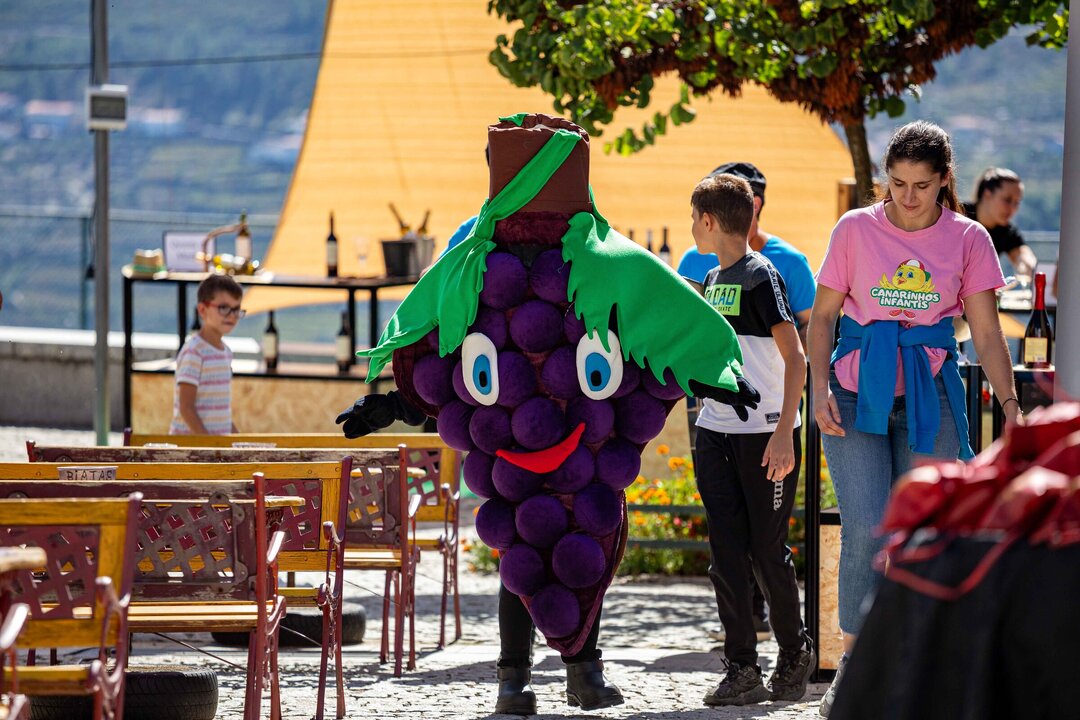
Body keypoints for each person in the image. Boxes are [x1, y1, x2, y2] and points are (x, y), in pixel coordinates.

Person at [808, 121, 1021, 717]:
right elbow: (822, 318)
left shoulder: (969, 238)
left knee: (923, 533)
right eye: (897, 184)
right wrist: (818, 388)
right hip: (854, 392)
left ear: (944, 180)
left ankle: (912, 668)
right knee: (867, 528)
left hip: (931, 395)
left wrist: (1010, 406)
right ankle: (854, 675)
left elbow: (986, 334)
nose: (907, 197)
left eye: (921, 186)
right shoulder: (854, 229)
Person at [691, 173, 815, 707]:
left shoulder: (761, 276)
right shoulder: (711, 277)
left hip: (765, 435)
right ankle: (741, 667)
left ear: (709, 221)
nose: (691, 226)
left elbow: (797, 359)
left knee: (766, 551)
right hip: (714, 432)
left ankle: (795, 652)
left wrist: (785, 432)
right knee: (725, 554)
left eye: (694, 218)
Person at [677, 162, 817, 348]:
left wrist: (777, 354)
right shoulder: (693, 260)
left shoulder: (791, 262)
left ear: (753, 204)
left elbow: (814, 325)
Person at [169, 274, 244, 434]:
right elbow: (186, 408)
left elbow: (220, 412)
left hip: (213, 446)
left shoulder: (226, 352)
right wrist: (208, 444)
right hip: (191, 447)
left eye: (236, 309)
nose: (232, 315)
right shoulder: (194, 352)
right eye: (224, 308)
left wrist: (237, 440)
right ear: (203, 310)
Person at [964, 167, 1037, 280]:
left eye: (1016, 203)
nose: (1012, 209)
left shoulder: (1006, 231)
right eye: (1007, 200)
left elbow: (1024, 257)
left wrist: (1028, 267)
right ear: (987, 194)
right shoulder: (958, 215)